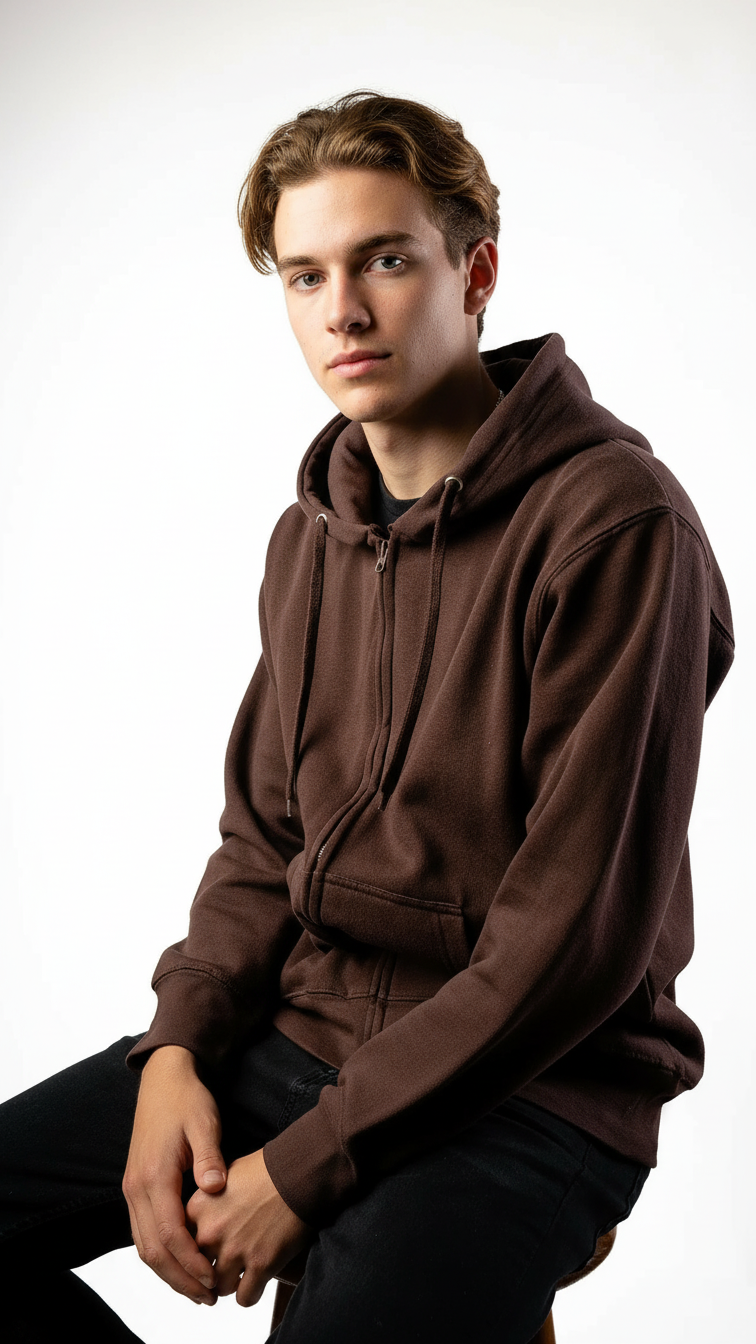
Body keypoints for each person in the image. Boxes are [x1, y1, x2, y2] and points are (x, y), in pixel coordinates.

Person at [1, 90, 735, 1343]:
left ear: (475, 273)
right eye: (305, 275)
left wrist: (306, 1166)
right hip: (301, 1032)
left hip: (534, 1088)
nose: (341, 309)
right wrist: (175, 1052)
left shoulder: (617, 528)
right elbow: (261, 848)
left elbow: (569, 942)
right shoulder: (311, 540)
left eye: (384, 261)